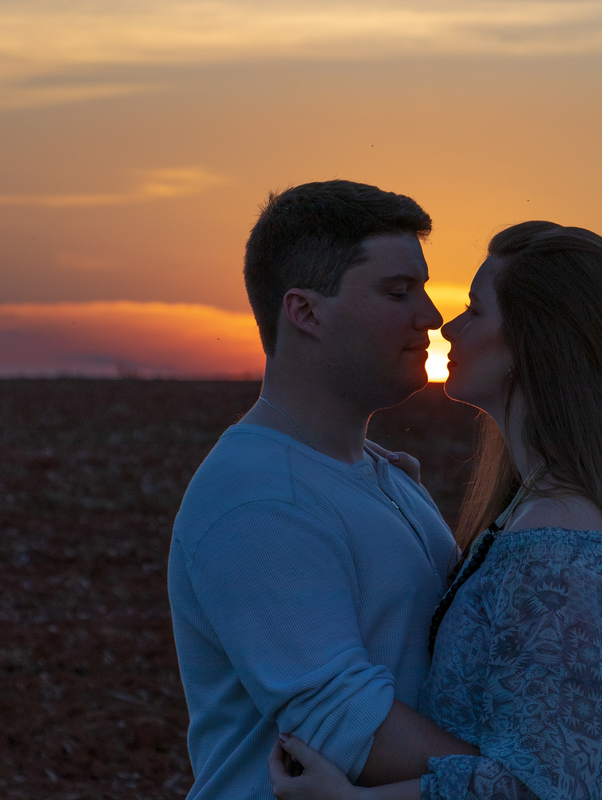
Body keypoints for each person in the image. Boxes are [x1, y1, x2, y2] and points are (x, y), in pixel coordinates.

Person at [268, 221, 602, 800]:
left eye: (474, 311)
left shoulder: (556, 548)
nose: (448, 327)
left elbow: (542, 786)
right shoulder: (547, 515)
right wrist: (402, 511)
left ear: (529, 345)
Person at [168, 180, 479, 799]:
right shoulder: (261, 499)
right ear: (306, 312)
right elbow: (348, 728)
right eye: (398, 292)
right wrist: (540, 786)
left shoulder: (380, 474)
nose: (431, 315)